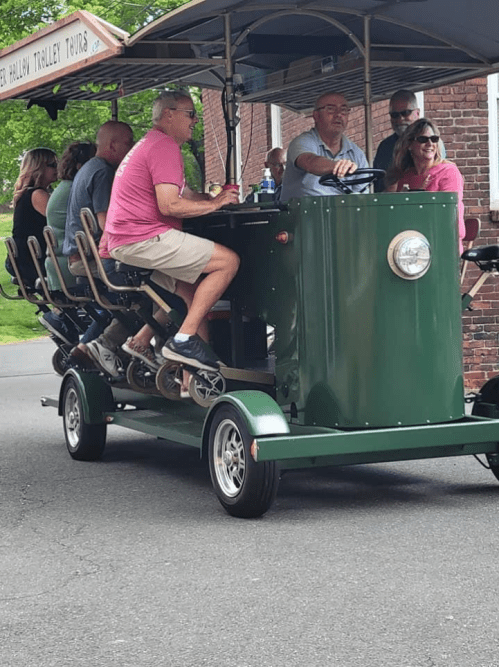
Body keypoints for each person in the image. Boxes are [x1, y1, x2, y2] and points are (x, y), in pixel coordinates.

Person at [105, 90, 240, 373]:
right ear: (169, 115)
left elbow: (185, 195)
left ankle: (195, 379)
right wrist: (216, 205)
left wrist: (214, 197)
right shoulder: (164, 146)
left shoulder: (152, 144)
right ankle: (182, 340)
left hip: (127, 239)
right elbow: (170, 205)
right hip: (142, 237)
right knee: (229, 261)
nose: (195, 122)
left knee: (193, 294)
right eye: (190, 114)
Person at [61, 121, 135, 375]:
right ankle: (110, 347)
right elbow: (107, 224)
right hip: (91, 257)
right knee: (147, 293)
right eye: (129, 142)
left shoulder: (88, 169)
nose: (132, 148)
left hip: (78, 256)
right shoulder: (103, 172)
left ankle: (86, 350)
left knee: (123, 301)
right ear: (113, 145)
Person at [3, 147, 80, 345]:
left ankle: (64, 315)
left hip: (23, 257)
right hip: (31, 259)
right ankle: (60, 313)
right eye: (52, 165)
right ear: (38, 168)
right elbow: (61, 220)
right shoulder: (37, 194)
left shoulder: (30, 194)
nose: (57, 168)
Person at [384, 118, 465, 253]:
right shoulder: (406, 177)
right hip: (412, 246)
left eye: (434, 139)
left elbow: (448, 217)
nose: (429, 143)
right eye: (422, 139)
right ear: (410, 144)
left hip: (442, 244)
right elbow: (399, 216)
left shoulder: (448, 171)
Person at [280, 92, 368, 201]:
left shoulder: (357, 154)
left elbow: (362, 197)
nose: (339, 114)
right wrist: (337, 166)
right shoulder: (302, 142)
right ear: (316, 116)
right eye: (331, 109)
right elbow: (309, 162)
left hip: (342, 215)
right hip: (303, 215)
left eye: (344, 110)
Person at [373, 90, 420, 192]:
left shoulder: (430, 143)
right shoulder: (384, 147)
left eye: (405, 113)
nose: (400, 119)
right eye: (394, 115)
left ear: (417, 113)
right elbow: (377, 186)